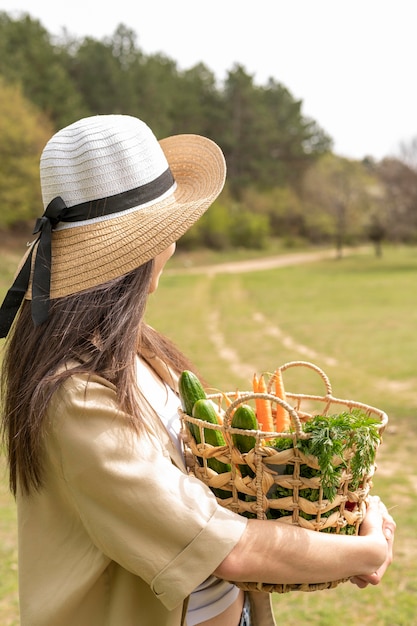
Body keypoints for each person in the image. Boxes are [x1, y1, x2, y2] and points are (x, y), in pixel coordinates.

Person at [0, 114, 395, 626]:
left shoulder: (133, 348)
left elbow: (215, 480)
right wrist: (365, 553)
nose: (175, 243)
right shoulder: (75, 395)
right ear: (140, 251)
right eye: (170, 230)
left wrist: (344, 514)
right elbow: (222, 546)